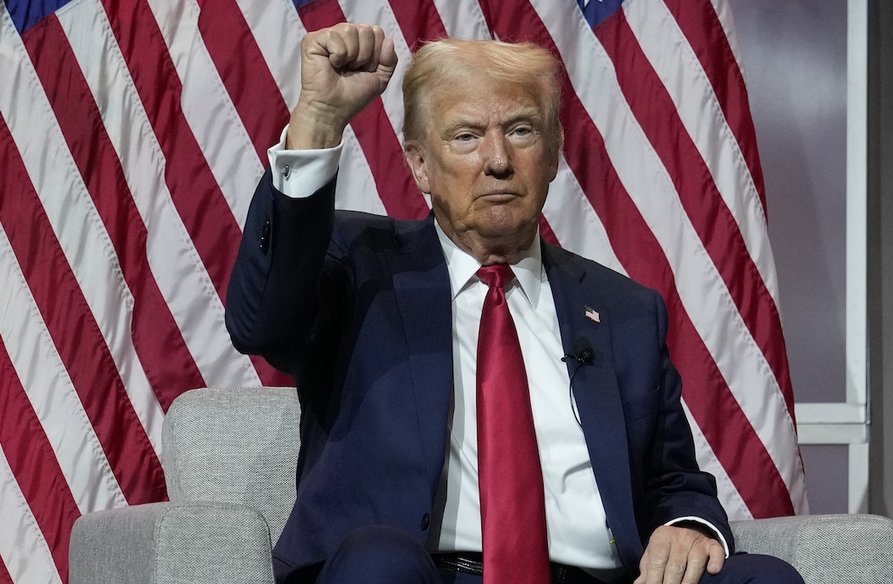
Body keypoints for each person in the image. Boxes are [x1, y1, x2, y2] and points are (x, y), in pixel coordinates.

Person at [226, 22, 803, 584]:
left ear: (552, 156)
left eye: (522, 131)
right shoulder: (360, 269)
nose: (497, 160)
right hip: (419, 572)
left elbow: (672, 482)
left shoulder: (625, 312)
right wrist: (319, 119)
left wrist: (686, 524)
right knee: (380, 562)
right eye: (466, 136)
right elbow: (261, 323)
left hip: (591, 576)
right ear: (420, 164)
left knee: (766, 579)